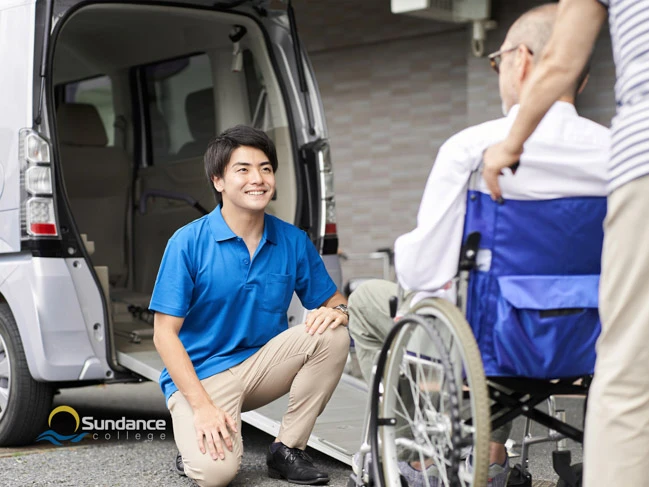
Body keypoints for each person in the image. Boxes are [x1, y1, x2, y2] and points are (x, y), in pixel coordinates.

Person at [348, 4, 609, 486]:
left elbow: (423, 270)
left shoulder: (474, 148)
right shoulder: (619, 153)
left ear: (523, 61)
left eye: (498, 60)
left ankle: (418, 453)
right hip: (593, 342)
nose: (498, 73)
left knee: (369, 301)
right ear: (583, 79)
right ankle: (487, 454)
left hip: (492, 344)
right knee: (486, 308)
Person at [481, 1, 649, 485]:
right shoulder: (599, 145)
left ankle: (484, 461)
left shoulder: (472, 145)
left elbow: (564, 54)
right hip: (582, 329)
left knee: (628, 379)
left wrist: (512, 144)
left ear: (523, 62)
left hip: (642, 162)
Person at [150, 125, 351, 487]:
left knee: (333, 334)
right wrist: (203, 408)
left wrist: (336, 312)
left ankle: (287, 449)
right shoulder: (187, 242)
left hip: (260, 367)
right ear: (218, 181)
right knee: (216, 475)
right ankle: (192, 444)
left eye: (266, 168)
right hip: (202, 378)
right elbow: (164, 335)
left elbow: (335, 301)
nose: (257, 179)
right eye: (242, 169)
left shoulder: (292, 240)